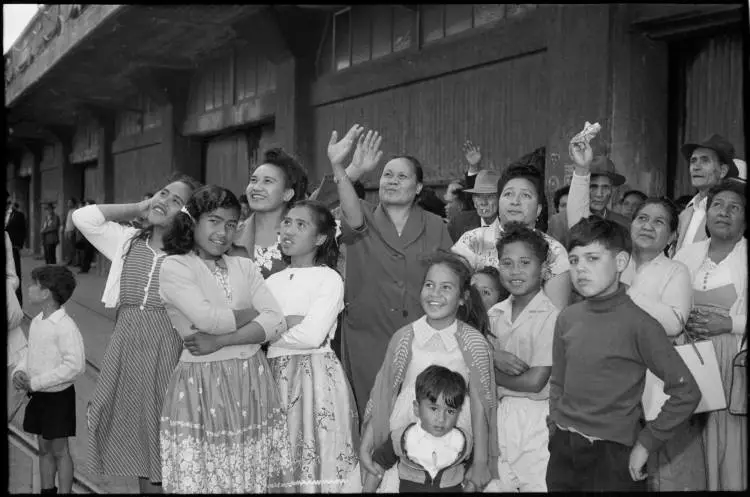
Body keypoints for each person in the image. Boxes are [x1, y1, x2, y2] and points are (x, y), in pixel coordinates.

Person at [546, 217, 701, 492]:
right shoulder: (568, 318)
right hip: (564, 449)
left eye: (592, 258)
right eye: (574, 260)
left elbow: (686, 391)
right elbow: (558, 378)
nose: (581, 269)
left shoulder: (640, 324)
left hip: (613, 454)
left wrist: (647, 443)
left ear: (619, 263)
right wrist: (556, 423)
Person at [157, 185, 292, 493]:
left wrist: (219, 342)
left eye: (231, 224)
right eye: (214, 221)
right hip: (202, 385)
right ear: (193, 222)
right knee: (208, 476)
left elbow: (276, 321)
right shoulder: (175, 265)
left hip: (252, 382)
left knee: (249, 474)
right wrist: (251, 313)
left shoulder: (244, 266)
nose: (223, 232)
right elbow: (207, 319)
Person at [73, 173, 201, 494]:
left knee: (162, 444)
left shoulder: (192, 258)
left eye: (177, 201)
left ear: (187, 216)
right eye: (163, 193)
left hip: (167, 353)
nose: (165, 201)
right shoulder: (127, 242)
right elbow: (83, 218)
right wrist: (142, 206)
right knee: (138, 446)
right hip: (126, 352)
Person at [327, 125, 453, 417]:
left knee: (414, 414)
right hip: (366, 338)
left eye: (402, 176)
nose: (392, 181)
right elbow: (319, 206)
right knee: (369, 417)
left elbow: (449, 280)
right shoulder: (361, 215)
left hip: (421, 336)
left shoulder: (435, 226)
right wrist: (345, 168)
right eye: (387, 175)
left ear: (419, 187)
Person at [357, 251, 498, 492]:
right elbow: (383, 395)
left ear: (463, 298)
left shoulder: (474, 343)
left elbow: (480, 405)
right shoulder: (404, 337)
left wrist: (481, 461)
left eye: (446, 288)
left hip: (454, 439)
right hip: (403, 433)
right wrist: (366, 446)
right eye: (429, 285)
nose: (435, 294)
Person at [262, 200, 359, 492]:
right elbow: (256, 330)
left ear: (320, 238)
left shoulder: (329, 278)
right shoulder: (270, 281)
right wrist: (289, 322)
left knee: (318, 458)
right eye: (287, 222)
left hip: (316, 378)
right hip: (271, 376)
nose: (289, 230)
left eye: (300, 225)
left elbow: (312, 336)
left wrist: (269, 332)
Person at [619, 197, 700, 490]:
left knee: (663, 472)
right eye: (642, 218)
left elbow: (673, 322)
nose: (648, 226)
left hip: (657, 385)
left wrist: (625, 293)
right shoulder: (616, 262)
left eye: (659, 222)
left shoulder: (676, 270)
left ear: (673, 236)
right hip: (616, 384)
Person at [675, 179, 747, 491]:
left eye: (735, 208)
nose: (724, 212)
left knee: (727, 438)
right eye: (718, 205)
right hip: (686, 357)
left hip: (731, 363)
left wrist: (729, 324)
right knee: (686, 436)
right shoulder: (686, 255)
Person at [485, 223, 558, 492]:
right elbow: (475, 366)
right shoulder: (494, 315)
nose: (515, 271)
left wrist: (492, 373)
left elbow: (535, 381)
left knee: (537, 484)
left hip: (535, 419)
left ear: (543, 267)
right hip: (497, 414)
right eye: (507, 263)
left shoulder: (551, 316)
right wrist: (492, 356)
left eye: (525, 262)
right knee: (495, 484)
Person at [452, 164, 572, 310]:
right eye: (508, 194)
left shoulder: (554, 252)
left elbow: (554, 316)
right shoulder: (472, 241)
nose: (515, 201)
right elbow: (452, 291)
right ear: (499, 201)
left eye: (525, 195)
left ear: (539, 209)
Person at [12, 265, 84, 495]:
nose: (29, 288)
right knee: (43, 447)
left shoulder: (65, 327)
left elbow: (75, 366)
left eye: (34, 285)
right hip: (39, 395)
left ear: (46, 293)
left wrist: (37, 382)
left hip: (58, 398)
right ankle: (47, 490)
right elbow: (29, 354)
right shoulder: (36, 322)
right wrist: (20, 372)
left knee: (60, 450)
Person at [364, 365, 472, 492]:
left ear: (458, 412)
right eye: (433, 408)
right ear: (416, 408)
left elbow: (477, 470)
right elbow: (379, 464)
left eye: (450, 411)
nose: (441, 418)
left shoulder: (464, 442)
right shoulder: (400, 438)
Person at [231, 148, 309, 279]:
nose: (256, 188)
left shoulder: (306, 235)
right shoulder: (233, 235)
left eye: (267, 181)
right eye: (253, 180)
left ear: (287, 194)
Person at [675, 133, 739, 252]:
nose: (696, 167)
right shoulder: (686, 212)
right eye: (693, 161)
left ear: (723, 171)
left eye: (705, 161)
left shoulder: (731, 212)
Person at [565, 136, 631, 231]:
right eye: (593, 186)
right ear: (583, 188)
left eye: (605, 187)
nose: (599, 194)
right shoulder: (560, 222)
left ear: (613, 190)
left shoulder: (623, 224)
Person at [6, 195, 27, 305]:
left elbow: (23, 230)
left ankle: (18, 304)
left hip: (13, 248)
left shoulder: (18, 215)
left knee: (15, 276)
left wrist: (19, 245)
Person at [77, 200, 98, 274]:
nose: (86, 206)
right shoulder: (86, 213)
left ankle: (85, 268)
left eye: (87, 205)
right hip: (85, 235)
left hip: (91, 235)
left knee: (88, 253)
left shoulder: (94, 214)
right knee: (84, 252)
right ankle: (84, 268)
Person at [63, 198, 79, 266]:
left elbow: (75, 222)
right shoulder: (69, 211)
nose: (68, 204)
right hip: (67, 230)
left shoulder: (75, 211)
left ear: (73, 203)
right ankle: (69, 260)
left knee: (72, 247)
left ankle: (73, 261)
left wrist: (73, 231)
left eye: (70, 202)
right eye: (68, 202)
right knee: (68, 247)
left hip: (71, 231)